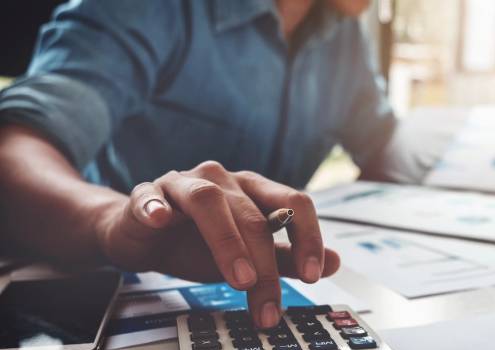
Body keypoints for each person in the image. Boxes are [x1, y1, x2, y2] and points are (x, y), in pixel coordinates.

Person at [0, 0, 412, 328]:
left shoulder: (343, 32)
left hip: (255, 300)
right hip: (107, 295)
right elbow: (15, 145)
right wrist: (110, 221)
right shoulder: (152, 9)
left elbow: (382, 144)